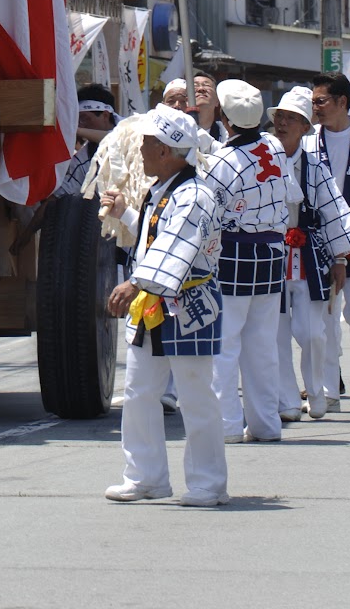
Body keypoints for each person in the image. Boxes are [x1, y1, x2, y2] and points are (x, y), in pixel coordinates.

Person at [102, 105, 228, 506]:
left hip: (187, 306)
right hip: (155, 304)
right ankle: (145, 477)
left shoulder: (195, 195)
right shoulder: (168, 190)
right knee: (140, 391)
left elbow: (176, 247)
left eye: (148, 142)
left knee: (195, 395)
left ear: (167, 151)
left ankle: (208, 483)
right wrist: (128, 214)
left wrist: (135, 281)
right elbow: (158, 236)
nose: (140, 148)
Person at [204, 78, 288, 444]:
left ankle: (227, 426)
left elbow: (209, 211)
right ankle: (266, 424)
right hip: (272, 252)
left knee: (225, 345)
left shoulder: (221, 160)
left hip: (233, 253)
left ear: (223, 116)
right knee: (263, 344)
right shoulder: (273, 145)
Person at [270, 86, 350, 424]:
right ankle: (287, 399)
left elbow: (334, 211)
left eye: (291, 118)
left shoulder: (314, 165)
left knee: (313, 332)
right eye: (279, 116)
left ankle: (318, 390)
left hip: (309, 256)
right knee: (275, 332)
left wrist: (339, 257)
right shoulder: (262, 156)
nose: (283, 123)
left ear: (305, 126)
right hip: (271, 255)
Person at [311, 73, 350, 406]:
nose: (315, 108)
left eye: (321, 101)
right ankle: (329, 389)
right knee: (324, 319)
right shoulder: (308, 140)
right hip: (321, 241)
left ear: (342, 102)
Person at [56, 83, 119, 196]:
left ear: (105, 115)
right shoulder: (84, 157)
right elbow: (64, 191)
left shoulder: (133, 127)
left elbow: (116, 139)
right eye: (78, 120)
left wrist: (75, 130)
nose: (81, 125)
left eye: (85, 119)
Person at [163, 74, 227, 145]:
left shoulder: (226, 133)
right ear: (186, 99)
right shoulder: (170, 134)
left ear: (217, 101)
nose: (201, 89)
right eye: (195, 86)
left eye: (207, 85)